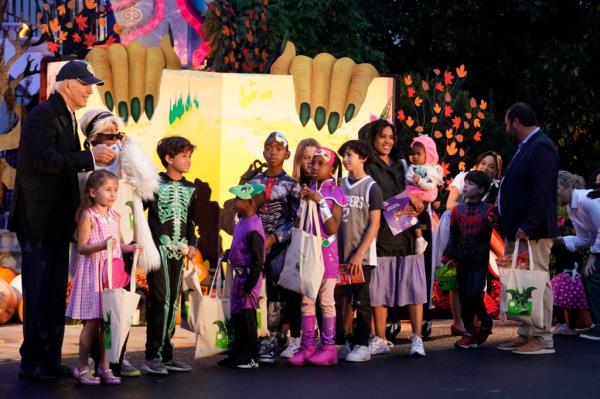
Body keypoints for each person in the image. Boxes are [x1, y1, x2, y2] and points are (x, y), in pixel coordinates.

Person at [9, 60, 116, 381]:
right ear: (66, 83)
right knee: (39, 291)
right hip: (38, 219)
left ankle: (51, 358)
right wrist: (90, 158)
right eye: (85, 84)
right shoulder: (44, 115)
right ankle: (32, 361)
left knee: (55, 291)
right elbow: (44, 161)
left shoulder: (67, 116)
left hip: (57, 221)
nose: (89, 90)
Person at [78, 109, 160, 377]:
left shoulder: (126, 163)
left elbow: (148, 185)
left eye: (118, 135)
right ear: (94, 137)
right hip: (96, 248)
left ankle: (118, 357)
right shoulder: (85, 169)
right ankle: (93, 359)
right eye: (108, 135)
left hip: (123, 239)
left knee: (120, 302)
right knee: (96, 310)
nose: (114, 140)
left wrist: (131, 150)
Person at [66, 170, 141, 384]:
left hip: (111, 274)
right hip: (93, 274)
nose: (113, 194)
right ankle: (81, 367)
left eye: (115, 190)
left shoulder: (115, 216)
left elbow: (119, 243)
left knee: (108, 323)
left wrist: (131, 248)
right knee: (92, 324)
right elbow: (82, 247)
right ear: (92, 192)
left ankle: (105, 367)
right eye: (108, 190)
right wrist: (101, 245)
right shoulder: (89, 216)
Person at [361, 119, 427, 357]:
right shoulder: (367, 166)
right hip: (381, 234)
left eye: (391, 137)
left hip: (407, 231)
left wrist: (415, 200)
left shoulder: (402, 164)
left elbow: (419, 188)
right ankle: (379, 338)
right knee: (379, 289)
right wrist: (407, 198)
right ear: (372, 138)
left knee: (414, 286)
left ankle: (417, 339)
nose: (387, 141)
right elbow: (378, 194)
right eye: (382, 136)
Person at [497, 102, 559, 355]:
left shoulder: (540, 146)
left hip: (533, 231)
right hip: (520, 230)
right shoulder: (527, 146)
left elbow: (543, 191)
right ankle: (526, 332)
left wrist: (529, 225)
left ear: (516, 121)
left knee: (537, 279)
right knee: (521, 281)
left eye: (506, 121)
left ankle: (543, 337)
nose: (505, 126)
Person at [142, 136, 197, 374]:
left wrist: (193, 244)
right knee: (160, 301)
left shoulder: (191, 189)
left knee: (174, 304)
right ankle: (151, 355)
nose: (188, 161)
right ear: (168, 158)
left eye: (189, 156)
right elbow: (137, 211)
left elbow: (191, 222)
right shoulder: (153, 184)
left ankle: (166, 354)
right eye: (183, 155)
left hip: (179, 252)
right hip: (159, 251)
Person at [289, 147, 348, 366]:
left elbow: (332, 227)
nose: (314, 167)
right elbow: (299, 224)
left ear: (331, 168)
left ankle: (329, 348)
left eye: (319, 164)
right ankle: (307, 346)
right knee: (306, 300)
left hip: (327, 256)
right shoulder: (308, 189)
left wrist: (320, 200)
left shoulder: (337, 193)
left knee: (326, 301)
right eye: (312, 163)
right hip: (307, 254)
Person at [436, 151, 503, 336]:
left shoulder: (492, 195)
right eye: (483, 163)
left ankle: (477, 322)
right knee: (459, 284)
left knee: (476, 286)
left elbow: (496, 220)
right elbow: (451, 207)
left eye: (492, 167)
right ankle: (462, 324)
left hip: (479, 246)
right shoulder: (463, 184)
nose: (486, 168)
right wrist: (448, 255)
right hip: (460, 241)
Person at [249, 132, 301, 363]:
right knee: (250, 287)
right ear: (263, 152)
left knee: (276, 286)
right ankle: (249, 335)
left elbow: (299, 219)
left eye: (278, 148)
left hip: (280, 247)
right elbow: (244, 213)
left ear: (287, 154)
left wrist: (275, 238)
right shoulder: (253, 183)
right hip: (254, 244)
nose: (273, 152)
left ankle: (276, 334)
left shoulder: (292, 186)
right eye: (268, 148)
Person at [335, 140, 382, 362]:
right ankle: (341, 341)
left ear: (363, 157)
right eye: (344, 155)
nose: (345, 159)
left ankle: (363, 344)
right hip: (340, 254)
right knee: (339, 300)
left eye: (350, 154)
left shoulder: (371, 187)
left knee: (362, 300)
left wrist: (359, 253)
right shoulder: (339, 184)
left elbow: (374, 224)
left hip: (361, 256)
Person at [442, 171, 497, 349]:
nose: (465, 186)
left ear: (481, 189)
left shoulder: (489, 210)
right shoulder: (458, 210)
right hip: (461, 259)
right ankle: (469, 333)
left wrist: (495, 220)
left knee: (474, 294)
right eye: (465, 182)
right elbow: (454, 236)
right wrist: (448, 256)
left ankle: (486, 321)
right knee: (464, 297)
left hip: (479, 260)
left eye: (470, 184)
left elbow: (497, 225)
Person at [218, 183, 266, 368]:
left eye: (239, 198)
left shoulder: (254, 227)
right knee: (237, 316)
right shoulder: (242, 222)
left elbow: (258, 259)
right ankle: (237, 352)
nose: (235, 201)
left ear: (249, 203)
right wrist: (229, 253)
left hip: (248, 278)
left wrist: (250, 283)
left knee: (247, 317)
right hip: (239, 277)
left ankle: (250, 355)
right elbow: (241, 246)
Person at [281, 138, 320, 358]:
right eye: (305, 158)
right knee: (296, 290)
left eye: (314, 158)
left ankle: (318, 337)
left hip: (319, 245)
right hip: (296, 244)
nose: (309, 163)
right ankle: (295, 337)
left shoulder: (323, 185)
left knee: (317, 293)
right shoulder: (292, 185)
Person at [555, 171, 600, 341]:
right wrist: (560, 240)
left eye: (557, 188)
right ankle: (596, 324)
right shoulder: (571, 207)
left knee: (593, 274)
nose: (555, 192)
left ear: (567, 186)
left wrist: (593, 256)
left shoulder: (586, 199)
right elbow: (584, 237)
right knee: (588, 277)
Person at [405, 136, 443, 255]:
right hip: (411, 196)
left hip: (422, 200)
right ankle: (419, 238)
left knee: (413, 217)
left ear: (428, 154)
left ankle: (420, 238)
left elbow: (430, 185)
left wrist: (419, 181)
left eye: (418, 154)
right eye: (413, 153)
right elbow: (407, 177)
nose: (415, 156)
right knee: (409, 216)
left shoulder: (429, 170)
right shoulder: (413, 167)